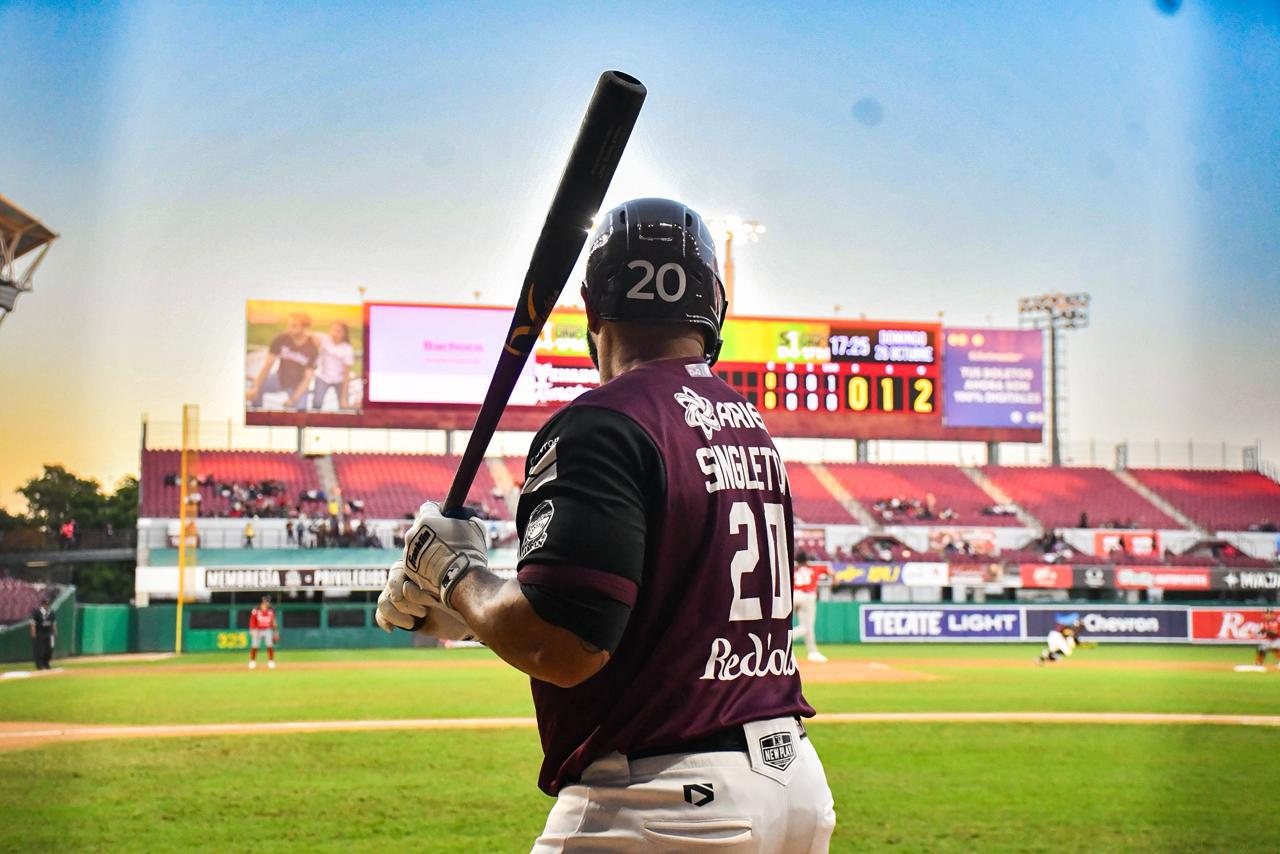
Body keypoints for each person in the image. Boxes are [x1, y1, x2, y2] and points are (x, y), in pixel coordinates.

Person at [376, 198, 835, 852]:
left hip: (666, 801)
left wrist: (453, 573)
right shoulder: (748, 427)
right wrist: (469, 614)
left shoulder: (604, 421)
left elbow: (565, 646)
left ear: (591, 310)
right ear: (714, 307)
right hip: (791, 783)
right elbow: (649, 619)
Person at [246, 311, 318, 410]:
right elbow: (267, 365)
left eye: (294, 326)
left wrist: (293, 400)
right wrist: (256, 387)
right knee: (256, 388)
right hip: (279, 378)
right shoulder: (281, 339)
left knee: (301, 409)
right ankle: (257, 413)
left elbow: (307, 378)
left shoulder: (312, 347)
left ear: (304, 327)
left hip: (297, 385)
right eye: (289, 325)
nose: (289, 328)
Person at [792, 551, 830, 663]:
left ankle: (813, 652)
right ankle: (786, 638)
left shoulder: (794, 570)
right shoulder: (814, 568)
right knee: (807, 627)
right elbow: (830, 572)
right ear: (807, 560)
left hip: (794, 595)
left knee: (803, 626)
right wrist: (835, 579)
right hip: (808, 596)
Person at [310, 321, 355, 410]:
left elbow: (346, 374)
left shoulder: (347, 349)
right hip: (322, 377)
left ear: (344, 334)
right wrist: (315, 341)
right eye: (333, 330)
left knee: (344, 406)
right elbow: (309, 334)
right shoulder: (324, 339)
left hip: (339, 379)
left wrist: (343, 398)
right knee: (317, 403)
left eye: (338, 331)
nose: (334, 333)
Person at [248, 595, 278, 669]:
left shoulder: (271, 610)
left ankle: (271, 661)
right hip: (257, 630)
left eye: (269, 602)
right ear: (264, 601)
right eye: (267, 601)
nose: (269, 603)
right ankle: (252, 661)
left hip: (268, 629)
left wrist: (276, 632)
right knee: (254, 646)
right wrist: (251, 630)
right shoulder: (256, 610)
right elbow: (252, 620)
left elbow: (274, 622)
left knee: (269, 645)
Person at [30, 593, 56, 670]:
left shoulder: (51, 612)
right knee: (40, 649)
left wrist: (54, 632)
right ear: (42, 604)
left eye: (48, 604)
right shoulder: (37, 612)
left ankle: (46, 663)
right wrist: (33, 633)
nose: (47, 606)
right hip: (40, 632)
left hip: (48, 632)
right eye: (45, 604)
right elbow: (33, 623)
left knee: (49, 649)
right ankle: (39, 665)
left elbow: (53, 623)